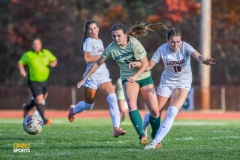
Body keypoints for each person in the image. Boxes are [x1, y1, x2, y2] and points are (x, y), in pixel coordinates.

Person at [76, 21, 163, 146]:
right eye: (114, 36)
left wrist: (135, 75)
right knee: (131, 104)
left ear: (125, 35)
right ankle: (141, 135)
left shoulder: (134, 43)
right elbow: (97, 63)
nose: (116, 39)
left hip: (143, 76)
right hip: (128, 78)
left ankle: (155, 135)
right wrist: (84, 79)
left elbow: (146, 64)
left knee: (155, 111)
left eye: (119, 36)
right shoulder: (112, 48)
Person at [129, 26, 216, 149]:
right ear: (167, 40)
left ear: (181, 41)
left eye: (178, 41)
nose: (176, 44)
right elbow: (148, 66)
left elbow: (198, 56)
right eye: (173, 42)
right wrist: (140, 64)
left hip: (183, 83)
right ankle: (145, 122)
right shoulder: (162, 49)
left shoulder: (185, 46)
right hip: (167, 83)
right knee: (156, 112)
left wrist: (204, 60)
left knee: (172, 111)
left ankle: (155, 142)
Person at [67, 20, 126, 138]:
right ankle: (73, 110)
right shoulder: (88, 42)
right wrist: (104, 55)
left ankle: (116, 128)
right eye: (90, 29)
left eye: (94, 28)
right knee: (89, 106)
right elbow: (87, 59)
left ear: (98, 29)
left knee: (113, 99)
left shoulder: (99, 41)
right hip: (91, 77)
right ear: (87, 31)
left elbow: (102, 58)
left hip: (103, 75)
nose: (93, 31)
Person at [18, 38, 57, 125]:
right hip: (33, 81)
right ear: (32, 45)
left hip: (44, 80)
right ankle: (43, 119)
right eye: (34, 44)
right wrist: (22, 70)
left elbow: (54, 60)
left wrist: (53, 63)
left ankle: (27, 108)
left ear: (41, 45)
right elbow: (20, 63)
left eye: (37, 44)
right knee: (39, 99)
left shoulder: (46, 53)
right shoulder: (28, 55)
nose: (36, 45)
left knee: (42, 98)